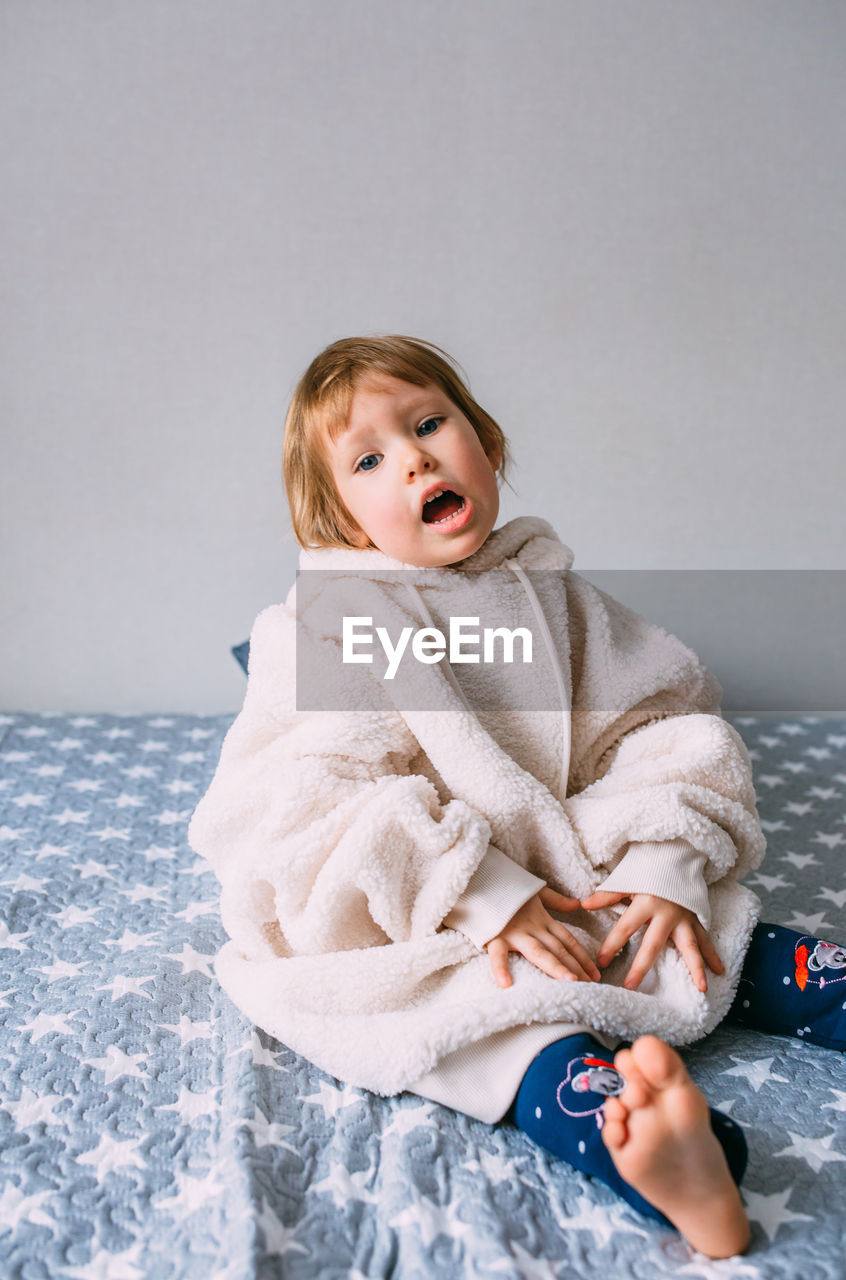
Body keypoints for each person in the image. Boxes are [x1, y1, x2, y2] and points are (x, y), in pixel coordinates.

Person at [188, 335, 845, 1259]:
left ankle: (809, 981)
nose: (413, 457)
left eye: (428, 425)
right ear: (338, 518)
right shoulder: (330, 626)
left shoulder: (549, 594)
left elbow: (667, 724)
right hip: (433, 913)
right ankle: (664, 1156)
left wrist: (663, 863)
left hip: (583, 871)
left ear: (484, 442)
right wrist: (480, 890)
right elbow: (305, 804)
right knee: (500, 1035)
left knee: (709, 939)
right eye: (370, 459)